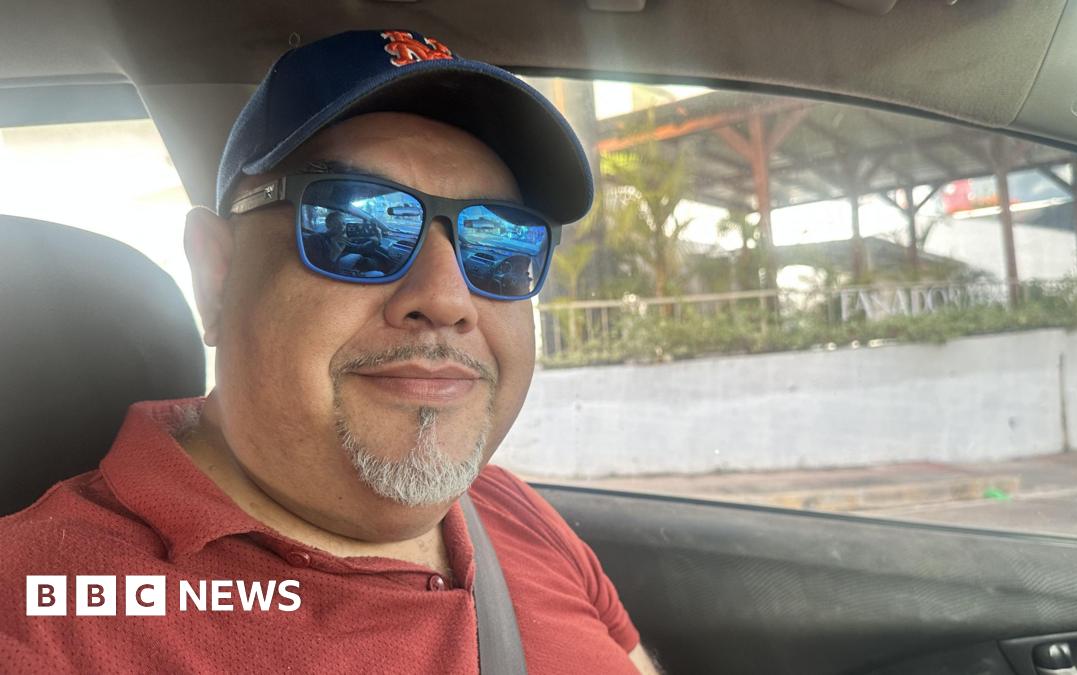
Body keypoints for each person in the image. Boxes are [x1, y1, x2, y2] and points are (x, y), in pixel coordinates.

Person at [0, 29, 660, 674]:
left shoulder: (508, 507)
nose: (448, 298)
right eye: (360, 225)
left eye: (498, 245)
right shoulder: (37, 610)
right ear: (217, 276)